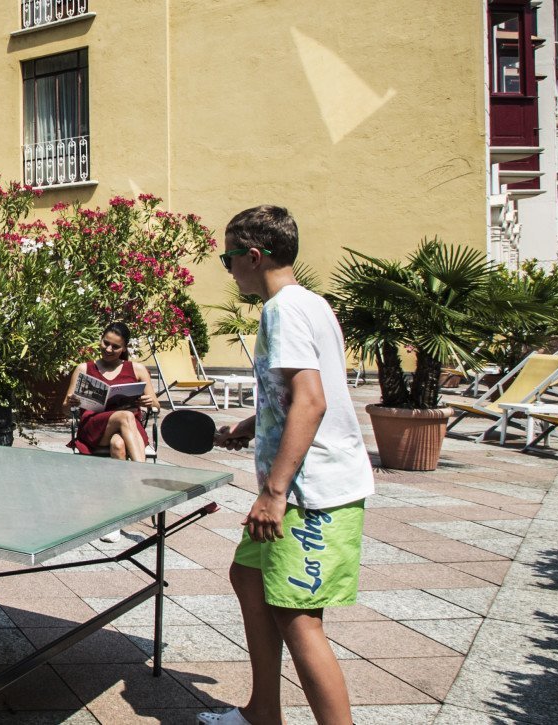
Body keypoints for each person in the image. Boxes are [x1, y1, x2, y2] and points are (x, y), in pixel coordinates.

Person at [200, 205, 373, 725]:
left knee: (299, 619)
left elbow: (312, 400)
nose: (228, 270)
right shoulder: (311, 303)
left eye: (229, 259)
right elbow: (304, 393)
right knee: (248, 577)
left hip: (310, 493)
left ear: (253, 256)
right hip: (302, 485)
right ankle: (262, 713)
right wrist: (252, 425)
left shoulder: (282, 311)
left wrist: (273, 493)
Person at [64, 321, 160, 460]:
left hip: (130, 428)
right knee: (126, 415)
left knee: (118, 444)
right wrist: (70, 403)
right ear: (100, 340)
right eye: (106, 343)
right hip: (95, 428)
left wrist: (149, 402)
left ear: (124, 349)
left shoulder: (137, 369)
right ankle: (142, 472)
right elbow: (65, 410)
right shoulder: (84, 369)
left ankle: (125, 481)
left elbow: (156, 406)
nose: (108, 349)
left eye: (115, 347)